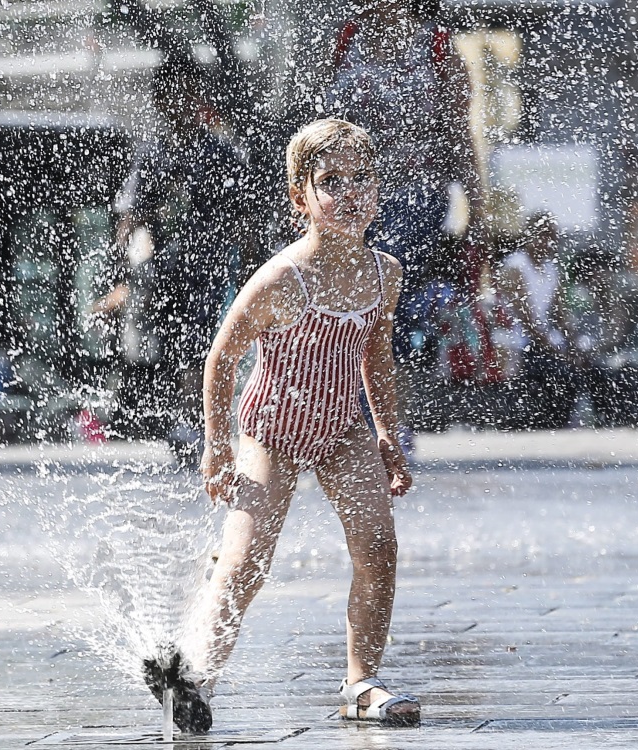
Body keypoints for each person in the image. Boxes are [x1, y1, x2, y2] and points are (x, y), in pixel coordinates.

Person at [141, 119, 416, 733]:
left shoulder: (383, 273)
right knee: (247, 563)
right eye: (331, 182)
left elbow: (376, 354)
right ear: (301, 198)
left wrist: (388, 435)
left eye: (362, 180)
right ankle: (193, 679)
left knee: (379, 550)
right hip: (272, 428)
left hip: (342, 427)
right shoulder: (283, 277)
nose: (351, 195)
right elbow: (222, 356)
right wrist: (216, 447)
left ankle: (360, 683)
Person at [321, 0, 484, 372]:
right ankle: (354, 407)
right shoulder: (347, 39)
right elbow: (319, 128)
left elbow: (460, 135)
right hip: (352, 196)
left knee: (388, 294)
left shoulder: (437, 46)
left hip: (416, 195)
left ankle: (390, 408)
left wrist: (476, 205)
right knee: (346, 297)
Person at [106, 60, 249, 464]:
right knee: (172, 348)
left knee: (206, 346)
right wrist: (128, 251)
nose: (181, 104)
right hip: (164, 272)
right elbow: (131, 214)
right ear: (159, 102)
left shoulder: (219, 152)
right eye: (171, 97)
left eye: (188, 95)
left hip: (210, 268)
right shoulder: (152, 153)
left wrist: (249, 266)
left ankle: (204, 422)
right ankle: (183, 419)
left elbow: (242, 216)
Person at [496, 212, 575, 429]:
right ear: (530, 236)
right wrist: (557, 350)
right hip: (516, 338)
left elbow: (560, 313)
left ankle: (561, 419)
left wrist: (574, 343)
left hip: (538, 337)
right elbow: (526, 319)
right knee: (553, 364)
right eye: (543, 235)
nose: (547, 242)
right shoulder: (515, 266)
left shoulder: (551, 269)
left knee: (583, 364)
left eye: (552, 237)